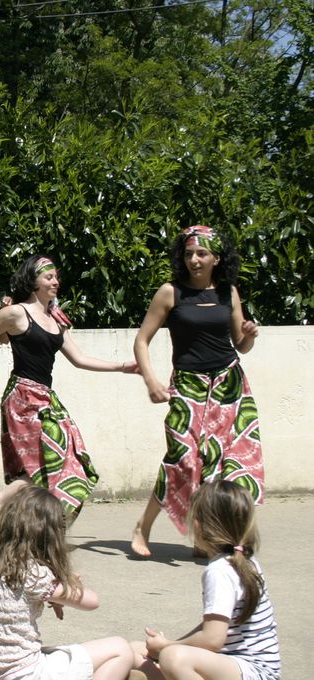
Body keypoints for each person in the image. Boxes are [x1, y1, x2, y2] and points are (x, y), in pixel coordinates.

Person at [0, 255, 137, 523]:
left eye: (55, 277)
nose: (55, 282)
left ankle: (23, 515)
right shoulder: (16, 313)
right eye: (49, 277)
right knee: (43, 465)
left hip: (45, 397)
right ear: (33, 281)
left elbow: (79, 359)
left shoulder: (55, 318)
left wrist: (123, 366)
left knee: (68, 461)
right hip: (22, 398)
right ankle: (11, 506)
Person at [130, 225, 263, 559]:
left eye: (201, 253)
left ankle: (211, 537)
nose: (194, 260)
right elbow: (141, 340)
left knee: (228, 466)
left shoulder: (228, 292)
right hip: (188, 387)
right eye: (189, 253)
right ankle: (142, 528)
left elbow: (240, 345)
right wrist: (151, 380)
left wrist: (249, 334)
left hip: (229, 387)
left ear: (216, 258)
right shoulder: (170, 293)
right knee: (182, 460)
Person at [0, 485, 135, 680]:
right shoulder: (33, 573)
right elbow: (92, 602)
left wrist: (56, 592)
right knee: (120, 649)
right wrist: (69, 581)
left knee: (59, 652)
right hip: (25, 675)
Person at [132, 481, 280, 680]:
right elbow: (212, 625)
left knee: (173, 658)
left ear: (197, 525)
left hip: (253, 671)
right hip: (233, 664)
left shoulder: (220, 571)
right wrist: (168, 643)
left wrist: (167, 646)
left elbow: (212, 639)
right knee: (135, 651)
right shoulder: (244, 559)